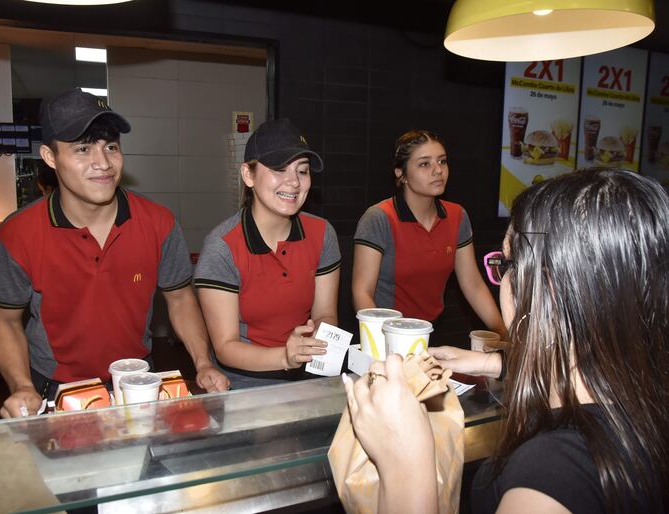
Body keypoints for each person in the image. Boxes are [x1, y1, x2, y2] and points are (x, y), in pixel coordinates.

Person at [343, 168, 668, 513]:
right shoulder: (644, 402)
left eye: (506, 263)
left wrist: (406, 462)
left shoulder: (552, 475)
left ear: (549, 289)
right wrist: (491, 362)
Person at [0, 88, 228, 418]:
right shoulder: (18, 232)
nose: (103, 163)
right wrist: (21, 385)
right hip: (56, 389)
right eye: (83, 149)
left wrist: (203, 362)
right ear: (49, 156)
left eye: (111, 147)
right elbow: (6, 321)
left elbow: (180, 298)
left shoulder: (159, 223)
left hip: (137, 383)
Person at [193, 119, 341, 389]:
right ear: (248, 175)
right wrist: (285, 355)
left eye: (303, 170)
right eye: (278, 169)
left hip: (308, 372)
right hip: (245, 380)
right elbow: (226, 346)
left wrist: (317, 336)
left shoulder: (322, 233)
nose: (294, 182)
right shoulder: (222, 248)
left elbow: (325, 313)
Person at [352, 130, 506, 339]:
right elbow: (362, 292)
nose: (438, 171)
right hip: (385, 334)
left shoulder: (457, 215)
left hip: (430, 331)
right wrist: (382, 342)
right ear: (400, 172)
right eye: (425, 164)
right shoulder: (378, 217)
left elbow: (473, 284)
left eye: (442, 161)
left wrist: (504, 333)